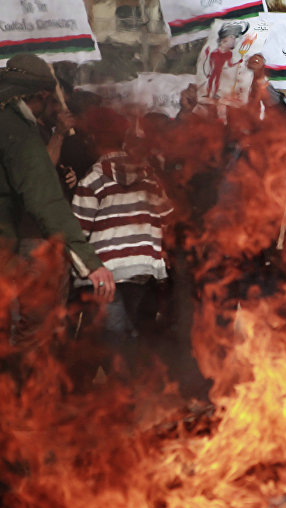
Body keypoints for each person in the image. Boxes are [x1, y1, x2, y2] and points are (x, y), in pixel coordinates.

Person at [0, 54, 114, 358]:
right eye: (52, 103)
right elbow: (44, 197)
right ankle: (23, 399)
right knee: (35, 330)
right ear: (39, 97)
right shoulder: (18, 130)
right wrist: (90, 262)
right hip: (21, 242)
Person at [70, 107, 173, 378]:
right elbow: (167, 217)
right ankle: (92, 391)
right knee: (115, 333)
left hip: (105, 274)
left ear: (94, 140)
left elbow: (77, 233)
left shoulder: (91, 180)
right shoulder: (149, 175)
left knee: (111, 337)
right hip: (142, 269)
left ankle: (116, 399)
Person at [203, 21, 248, 99]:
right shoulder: (214, 52)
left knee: (216, 81)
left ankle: (214, 94)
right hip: (214, 70)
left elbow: (230, 64)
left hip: (219, 71)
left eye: (234, 38)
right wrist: (209, 72)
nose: (234, 40)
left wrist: (237, 62)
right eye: (232, 37)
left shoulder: (228, 54)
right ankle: (208, 93)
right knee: (211, 81)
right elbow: (209, 63)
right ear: (223, 40)